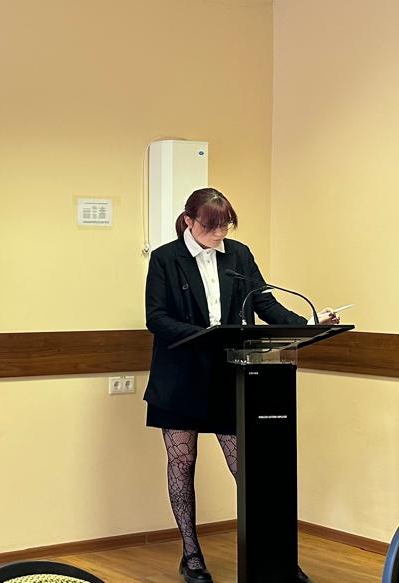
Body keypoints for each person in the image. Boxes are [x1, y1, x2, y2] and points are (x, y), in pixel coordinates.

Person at [144, 188, 339, 583]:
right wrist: (205, 335)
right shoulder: (165, 258)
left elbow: (265, 304)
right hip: (180, 378)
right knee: (182, 464)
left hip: (227, 375)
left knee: (249, 469)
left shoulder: (239, 255)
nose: (219, 234)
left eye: (225, 226)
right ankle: (191, 555)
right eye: (210, 226)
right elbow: (156, 317)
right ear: (189, 221)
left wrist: (307, 323)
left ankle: (276, 554)